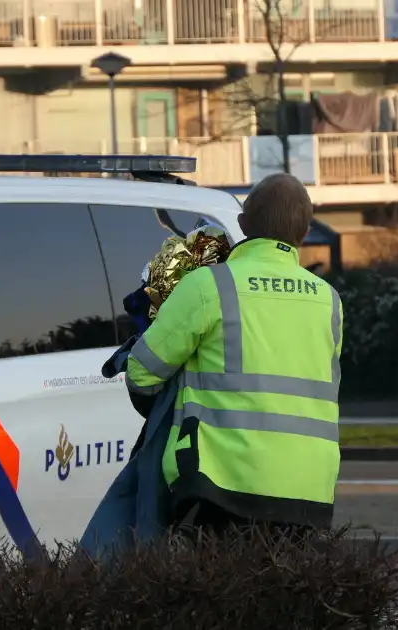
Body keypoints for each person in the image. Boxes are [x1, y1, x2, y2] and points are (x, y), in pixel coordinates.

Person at [125, 172, 343, 537]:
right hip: (311, 489)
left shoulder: (210, 286)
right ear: (304, 233)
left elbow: (141, 373)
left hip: (221, 487)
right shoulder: (329, 300)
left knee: (217, 590)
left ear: (242, 224)